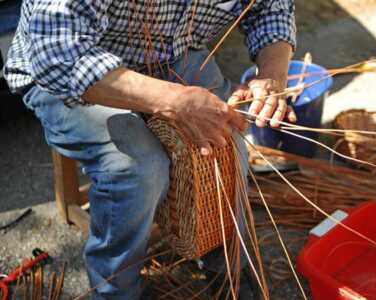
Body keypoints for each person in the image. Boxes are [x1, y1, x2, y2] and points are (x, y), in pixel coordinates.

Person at [5, 0, 296, 298]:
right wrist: (174, 101)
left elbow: (271, 7)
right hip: (70, 68)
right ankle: (116, 291)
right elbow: (57, 56)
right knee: (137, 169)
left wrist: (272, 74)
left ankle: (226, 268)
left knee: (228, 143)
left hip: (176, 53)